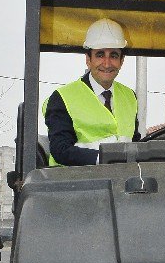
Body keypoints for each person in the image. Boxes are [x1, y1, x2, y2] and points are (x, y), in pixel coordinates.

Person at [43, 18, 141, 166]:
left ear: (121, 60)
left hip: (121, 182)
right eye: (100, 55)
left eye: (113, 55)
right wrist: (106, 159)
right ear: (88, 59)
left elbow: (134, 142)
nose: (107, 64)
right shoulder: (62, 98)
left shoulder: (130, 97)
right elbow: (60, 150)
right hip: (76, 184)